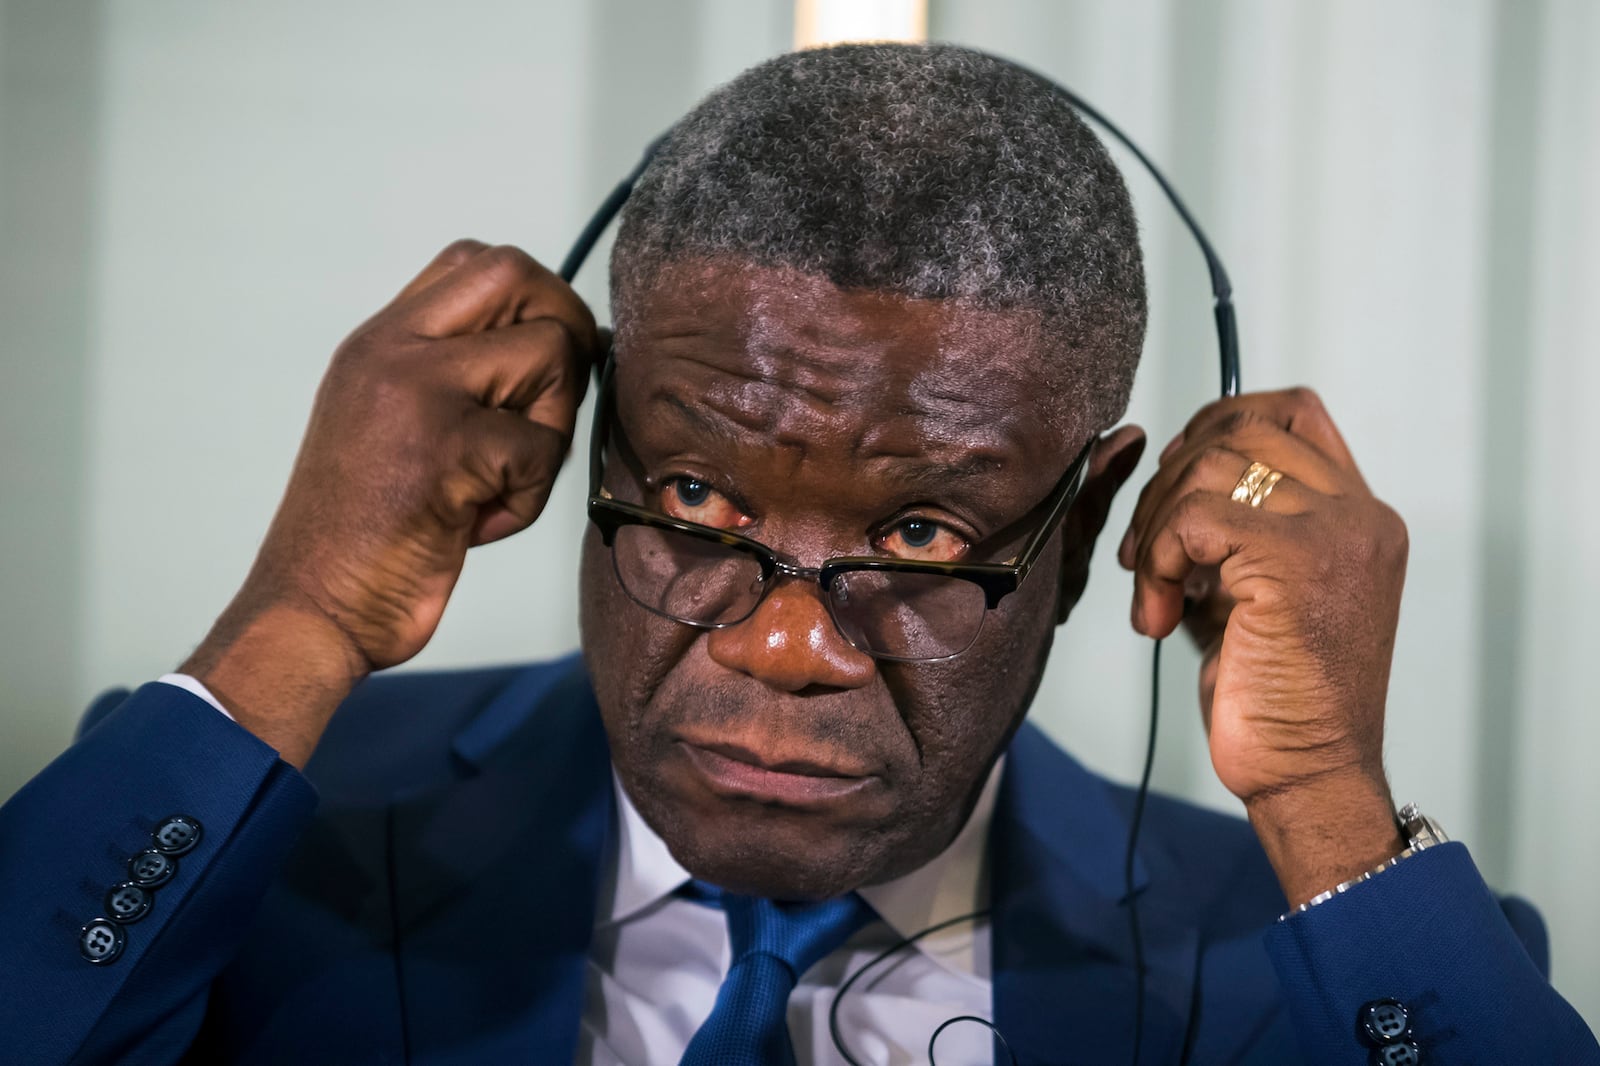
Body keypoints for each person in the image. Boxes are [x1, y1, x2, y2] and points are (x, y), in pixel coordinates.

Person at [1, 43, 1594, 1066]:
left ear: (1092, 521)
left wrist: (1323, 800)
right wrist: (299, 614)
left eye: (917, 533)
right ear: (584, 435)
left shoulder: (1281, 954)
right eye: (696, 502)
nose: (783, 646)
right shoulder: (250, 835)